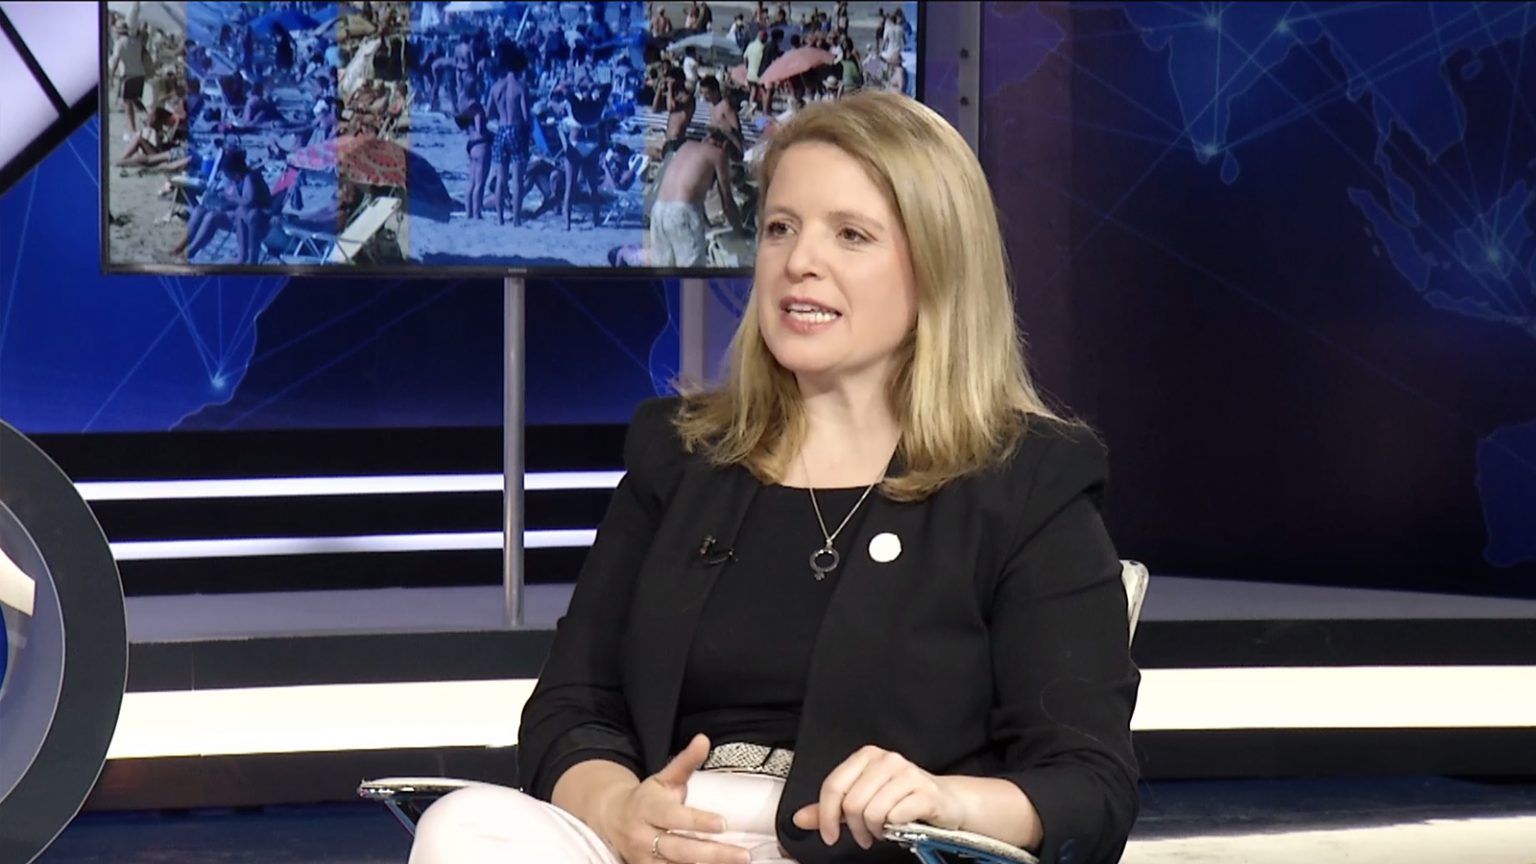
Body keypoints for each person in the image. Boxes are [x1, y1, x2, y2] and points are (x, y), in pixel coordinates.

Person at [407, 90, 1140, 864]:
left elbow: (1088, 782)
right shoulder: (681, 456)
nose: (798, 263)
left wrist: (947, 800)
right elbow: (572, 708)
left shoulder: (1027, 480)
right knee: (463, 824)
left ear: (938, 266)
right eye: (780, 228)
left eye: (850, 234)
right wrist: (618, 808)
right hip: (664, 842)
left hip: (863, 853)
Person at [644, 127, 747, 267]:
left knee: (663, 269)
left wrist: (707, 224)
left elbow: (692, 191)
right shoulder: (718, 154)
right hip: (682, 213)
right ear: (725, 145)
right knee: (691, 272)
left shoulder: (685, 147)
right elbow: (727, 204)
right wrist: (740, 231)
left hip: (659, 210)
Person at [488, 46, 532, 226]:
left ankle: (499, 218)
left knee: (501, 178)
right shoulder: (521, 87)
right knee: (517, 179)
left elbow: (489, 113)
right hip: (516, 129)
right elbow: (526, 116)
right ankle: (516, 218)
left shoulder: (496, 87)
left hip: (501, 129)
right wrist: (529, 135)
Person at [700, 75, 743, 155]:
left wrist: (721, 129)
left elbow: (737, 131)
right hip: (718, 142)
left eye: (707, 93)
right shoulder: (711, 105)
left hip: (730, 145)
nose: (704, 97)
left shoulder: (725, 105)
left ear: (715, 91)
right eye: (703, 93)